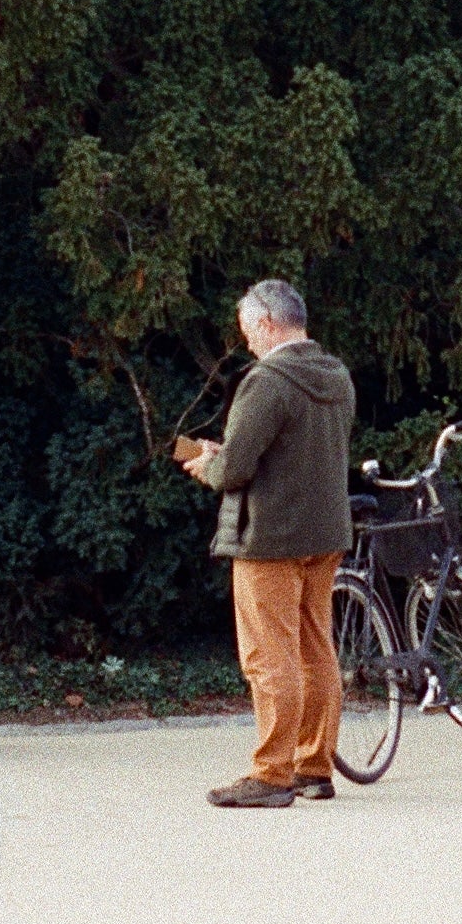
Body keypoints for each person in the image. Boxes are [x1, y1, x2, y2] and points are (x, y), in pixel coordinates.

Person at [173, 277, 355, 808]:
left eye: (249, 330)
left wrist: (207, 462)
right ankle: (314, 767)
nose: (247, 342)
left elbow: (234, 470)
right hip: (325, 532)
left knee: (269, 655)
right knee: (317, 649)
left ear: (268, 323)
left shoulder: (266, 380)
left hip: (270, 536)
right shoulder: (336, 374)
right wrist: (226, 454)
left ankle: (272, 775)